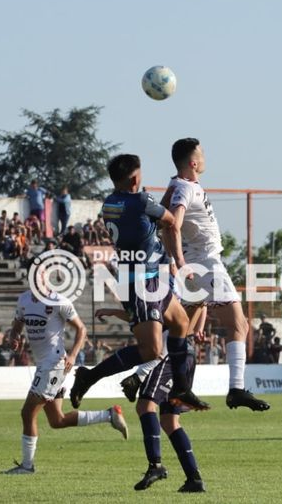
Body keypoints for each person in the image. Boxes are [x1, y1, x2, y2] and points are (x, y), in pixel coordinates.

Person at [69, 154, 207, 412]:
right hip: (143, 281)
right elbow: (171, 222)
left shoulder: (109, 203)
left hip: (144, 275)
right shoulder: (141, 200)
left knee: (180, 323)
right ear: (135, 178)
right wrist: (179, 255)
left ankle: (181, 388)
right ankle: (90, 376)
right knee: (151, 350)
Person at [162, 137, 269, 411]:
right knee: (239, 326)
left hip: (199, 265)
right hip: (206, 263)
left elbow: (162, 222)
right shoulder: (186, 188)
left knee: (179, 328)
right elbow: (173, 225)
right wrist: (181, 261)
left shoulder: (178, 185)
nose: (206, 157)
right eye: (203, 154)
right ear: (194, 162)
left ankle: (148, 378)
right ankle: (236, 389)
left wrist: (175, 260)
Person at [3, 286, 128, 475]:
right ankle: (110, 415)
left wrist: (73, 355)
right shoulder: (24, 300)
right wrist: (15, 337)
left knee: (27, 413)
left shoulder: (59, 301)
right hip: (44, 365)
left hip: (54, 365)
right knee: (57, 420)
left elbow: (81, 329)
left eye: (42, 276)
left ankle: (27, 466)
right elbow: (17, 326)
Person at [132, 335, 206, 493]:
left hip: (168, 353)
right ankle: (194, 478)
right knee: (169, 422)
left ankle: (155, 466)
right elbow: (201, 308)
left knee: (145, 406)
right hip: (187, 354)